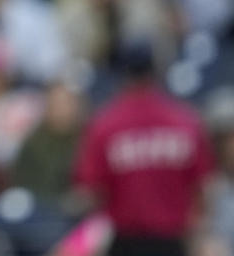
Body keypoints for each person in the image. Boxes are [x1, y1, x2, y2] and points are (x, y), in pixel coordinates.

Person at [72, 43, 215, 256]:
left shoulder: (106, 123)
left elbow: (89, 192)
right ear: (154, 71)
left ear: (121, 74)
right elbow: (204, 188)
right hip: (173, 241)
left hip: (125, 240)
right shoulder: (184, 120)